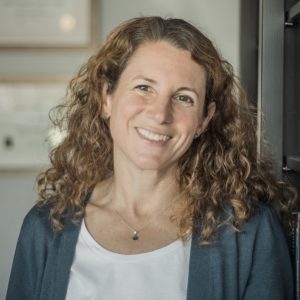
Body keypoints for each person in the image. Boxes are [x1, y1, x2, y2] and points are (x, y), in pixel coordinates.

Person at [6, 16, 296, 300]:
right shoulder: (45, 227)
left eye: (183, 98)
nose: (160, 114)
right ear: (106, 97)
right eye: (144, 88)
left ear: (204, 119)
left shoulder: (248, 231)